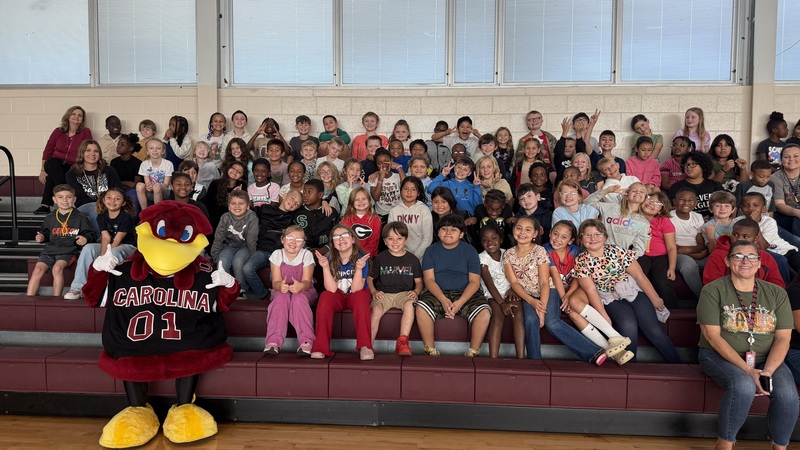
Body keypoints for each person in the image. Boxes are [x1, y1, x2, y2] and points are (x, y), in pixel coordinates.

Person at [697, 240, 798, 450]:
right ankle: (725, 444)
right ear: (727, 261)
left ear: (759, 263)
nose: (746, 261)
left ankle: (780, 447)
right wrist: (749, 371)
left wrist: (767, 371)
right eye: (738, 256)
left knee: (788, 395)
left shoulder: (777, 293)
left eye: (752, 256)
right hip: (718, 355)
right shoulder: (712, 290)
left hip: (766, 358)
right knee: (743, 385)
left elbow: (783, 338)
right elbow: (712, 336)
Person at [572, 219, 680, 362]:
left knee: (654, 330)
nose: (593, 239)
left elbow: (639, 276)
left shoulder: (617, 251)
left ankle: (677, 363)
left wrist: (655, 298)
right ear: (581, 238)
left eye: (597, 234)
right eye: (587, 235)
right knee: (628, 327)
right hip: (609, 297)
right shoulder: (581, 261)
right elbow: (591, 290)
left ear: (605, 236)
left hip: (631, 290)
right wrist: (604, 316)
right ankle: (630, 370)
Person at [542, 220, 621, 365]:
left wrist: (568, 295)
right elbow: (555, 276)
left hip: (573, 288)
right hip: (554, 288)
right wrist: (564, 297)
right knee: (563, 316)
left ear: (571, 240)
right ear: (550, 233)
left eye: (564, 237)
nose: (558, 239)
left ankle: (615, 344)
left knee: (573, 309)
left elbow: (579, 275)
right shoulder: (545, 250)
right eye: (555, 234)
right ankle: (602, 349)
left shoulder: (575, 251)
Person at [415, 214, 491, 357]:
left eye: (453, 229)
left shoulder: (470, 251)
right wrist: (443, 300)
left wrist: (460, 302)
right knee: (421, 308)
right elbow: (429, 280)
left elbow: (474, 281)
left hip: (466, 292)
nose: (448, 232)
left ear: (461, 234)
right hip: (437, 292)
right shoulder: (430, 251)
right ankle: (430, 351)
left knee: (484, 312)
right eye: (444, 229)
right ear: (438, 233)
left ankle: (473, 352)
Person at [311, 225, 373, 360]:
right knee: (325, 296)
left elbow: (357, 288)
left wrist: (358, 268)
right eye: (336, 237)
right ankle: (320, 347)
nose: (341, 239)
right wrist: (325, 268)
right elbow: (332, 289)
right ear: (333, 243)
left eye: (344, 235)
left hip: (356, 294)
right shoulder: (331, 258)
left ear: (352, 239)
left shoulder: (361, 258)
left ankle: (365, 346)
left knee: (361, 297)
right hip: (338, 295)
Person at [64, 187, 137, 300]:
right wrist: (101, 257)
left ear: (123, 203)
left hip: (126, 246)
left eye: (117, 199)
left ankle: (107, 289)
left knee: (114, 252)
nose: (112, 201)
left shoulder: (126, 216)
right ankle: (78, 288)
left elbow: (117, 240)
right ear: (103, 200)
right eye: (109, 198)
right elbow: (106, 237)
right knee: (89, 248)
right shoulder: (101, 216)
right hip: (109, 245)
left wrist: (106, 256)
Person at [27, 184, 95, 296]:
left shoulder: (80, 217)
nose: (65, 200)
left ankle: (56, 298)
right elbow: (45, 232)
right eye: (60, 197)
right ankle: (29, 299)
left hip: (68, 251)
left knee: (57, 268)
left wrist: (85, 238)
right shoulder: (50, 217)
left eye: (68, 197)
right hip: (49, 251)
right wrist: (42, 237)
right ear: (54, 199)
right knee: (37, 270)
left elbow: (90, 233)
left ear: (74, 199)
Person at [368, 222, 423, 355]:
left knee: (410, 304)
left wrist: (416, 291)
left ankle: (402, 342)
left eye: (399, 238)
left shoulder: (412, 259)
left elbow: (419, 282)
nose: (395, 242)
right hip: (384, 293)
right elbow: (369, 279)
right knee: (376, 310)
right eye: (390, 238)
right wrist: (374, 291)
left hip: (404, 293)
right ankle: (368, 345)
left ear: (405, 240)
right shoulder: (381, 258)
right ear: (385, 241)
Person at [264, 226, 318, 356]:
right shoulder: (277, 254)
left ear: (303, 243)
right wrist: (279, 286)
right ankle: (273, 340)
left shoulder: (307, 255)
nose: (293, 242)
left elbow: (306, 281)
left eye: (299, 240)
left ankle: (306, 341)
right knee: (282, 298)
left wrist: (300, 286)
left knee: (298, 298)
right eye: (290, 238)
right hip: (282, 290)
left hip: (304, 290)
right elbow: (275, 281)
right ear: (283, 240)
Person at [242, 190, 303, 301]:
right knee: (247, 269)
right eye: (293, 198)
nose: (293, 203)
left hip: (280, 253)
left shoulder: (293, 218)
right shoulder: (266, 209)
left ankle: (279, 298)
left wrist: (325, 202)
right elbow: (248, 209)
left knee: (274, 277)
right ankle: (264, 295)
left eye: (297, 204)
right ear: (285, 195)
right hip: (263, 250)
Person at [501, 218, 549, 359]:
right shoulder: (508, 254)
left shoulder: (539, 251)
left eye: (528, 230)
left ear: (535, 233)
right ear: (513, 230)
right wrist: (531, 301)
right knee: (529, 320)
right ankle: (535, 360)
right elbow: (514, 283)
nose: (522, 232)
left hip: (547, 291)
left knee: (552, 323)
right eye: (519, 228)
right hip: (527, 295)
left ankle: (591, 352)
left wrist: (542, 310)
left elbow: (545, 282)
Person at [36, 106, 93, 214]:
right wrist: (43, 170)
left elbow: (88, 149)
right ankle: (66, 195)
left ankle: (45, 205)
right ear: (68, 116)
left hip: (73, 164)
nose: (76, 117)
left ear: (82, 120)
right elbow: (48, 150)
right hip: (55, 163)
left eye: (80, 115)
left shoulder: (85, 132)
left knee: (54, 175)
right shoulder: (58, 131)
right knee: (54, 164)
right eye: (74, 114)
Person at [703, 219, 786, 289]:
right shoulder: (718, 255)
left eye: (745, 236)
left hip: (761, 301)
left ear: (755, 239)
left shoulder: (766, 257)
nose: (739, 239)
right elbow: (711, 286)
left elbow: (777, 287)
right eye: (735, 234)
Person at [65, 139, 122, 239]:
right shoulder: (72, 173)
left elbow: (118, 190)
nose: (92, 154)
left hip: (109, 204)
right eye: (88, 150)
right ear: (82, 153)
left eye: (96, 151)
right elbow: (80, 197)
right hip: (85, 206)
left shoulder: (109, 171)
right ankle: (102, 239)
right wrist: (101, 204)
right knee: (94, 207)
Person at [210, 190, 258, 297]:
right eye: (233, 203)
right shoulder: (225, 217)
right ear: (228, 206)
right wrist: (215, 256)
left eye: (241, 203)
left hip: (245, 246)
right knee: (223, 260)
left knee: (238, 261)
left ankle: (241, 289)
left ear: (248, 206)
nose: (237, 206)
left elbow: (252, 239)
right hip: (230, 245)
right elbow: (218, 238)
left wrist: (253, 257)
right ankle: (224, 287)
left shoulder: (252, 217)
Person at [584, 181, 650, 257]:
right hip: (598, 253)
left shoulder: (644, 222)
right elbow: (587, 203)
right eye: (634, 190)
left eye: (642, 191)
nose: (638, 193)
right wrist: (606, 191)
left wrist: (626, 261)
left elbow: (639, 249)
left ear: (645, 198)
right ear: (627, 194)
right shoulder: (611, 207)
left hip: (620, 259)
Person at [638, 192, 679, 308]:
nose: (651, 203)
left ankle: (673, 310)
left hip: (660, 256)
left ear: (661, 210)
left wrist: (672, 267)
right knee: (640, 276)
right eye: (650, 199)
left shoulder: (664, 221)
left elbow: (671, 247)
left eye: (657, 203)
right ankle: (644, 308)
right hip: (641, 254)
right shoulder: (635, 217)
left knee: (662, 282)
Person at [670, 188, 708, 299]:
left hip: (694, 252)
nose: (686, 203)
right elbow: (673, 247)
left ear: (695, 203)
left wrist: (689, 251)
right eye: (682, 200)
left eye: (690, 200)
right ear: (674, 202)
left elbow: (701, 244)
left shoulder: (697, 217)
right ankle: (703, 298)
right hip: (675, 254)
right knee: (688, 265)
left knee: (717, 261)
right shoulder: (669, 217)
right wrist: (694, 253)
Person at [667, 151, 724, 220]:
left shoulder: (715, 185)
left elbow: (726, 205)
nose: (688, 167)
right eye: (686, 164)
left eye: (693, 164)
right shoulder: (677, 187)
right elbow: (669, 209)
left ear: (703, 166)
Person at [388, 177, 432, 260]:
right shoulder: (394, 211)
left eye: (413, 189)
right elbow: (390, 237)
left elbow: (427, 239)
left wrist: (413, 258)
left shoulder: (424, 210)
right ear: (401, 191)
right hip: (398, 257)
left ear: (418, 192)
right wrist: (400, 255)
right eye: (406, 189)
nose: (409, 192)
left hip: (420, 258)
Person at [340, 186, 381, 266]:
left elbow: (374, 241)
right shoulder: (346, 220)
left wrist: (363, 257)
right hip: (349, 257)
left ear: (369, 201)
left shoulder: (375, 220)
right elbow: (342, 239)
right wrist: (351, 255)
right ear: (352, 202)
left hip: (369, 257)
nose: (361, 202)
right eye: (357, 199)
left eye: (364, 199)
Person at [203, 160, 246, 232]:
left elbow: (239, 210)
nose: (235, 172)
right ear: (228, 168)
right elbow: (207, 205)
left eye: (239, 172)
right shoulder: (215, 183)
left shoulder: (242, 187)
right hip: (214, 221)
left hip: (232, 222)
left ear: (241, 177)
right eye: (233, 168)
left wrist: (234, 196)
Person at [135, 138, 174, 212]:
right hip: (151, 191)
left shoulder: (168, 164)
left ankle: (157, 212)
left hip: (164, 192)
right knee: (139, 185)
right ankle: (144, 212)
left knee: (157, 187)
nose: (155, 150)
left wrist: (155, 186)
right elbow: (147, 182)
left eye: (158, 148)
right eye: (151, 148)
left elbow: (166, 184)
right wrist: (148, 186)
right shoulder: (144, 164)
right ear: (147, 151)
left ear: (163, 151)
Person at [772, 143, 800, 236]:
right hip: (785, 216)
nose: (791, 159)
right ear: (781, 160)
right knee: (796, 220)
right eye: (787, 157)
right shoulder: (775, 178)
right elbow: (779, 205)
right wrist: (796, 212)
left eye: (796, 156)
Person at [110, 133, 143, 213]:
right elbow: (112, 181)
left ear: (131, 148)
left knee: (133, 195)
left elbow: (135, 184)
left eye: (122, 145)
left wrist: (121, 183)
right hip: (117, 188)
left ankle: (133, 222)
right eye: (118, 144)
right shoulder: (114, 162)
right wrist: (125, 183)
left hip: (131, 190)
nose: (118, 146)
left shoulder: (137, 163)